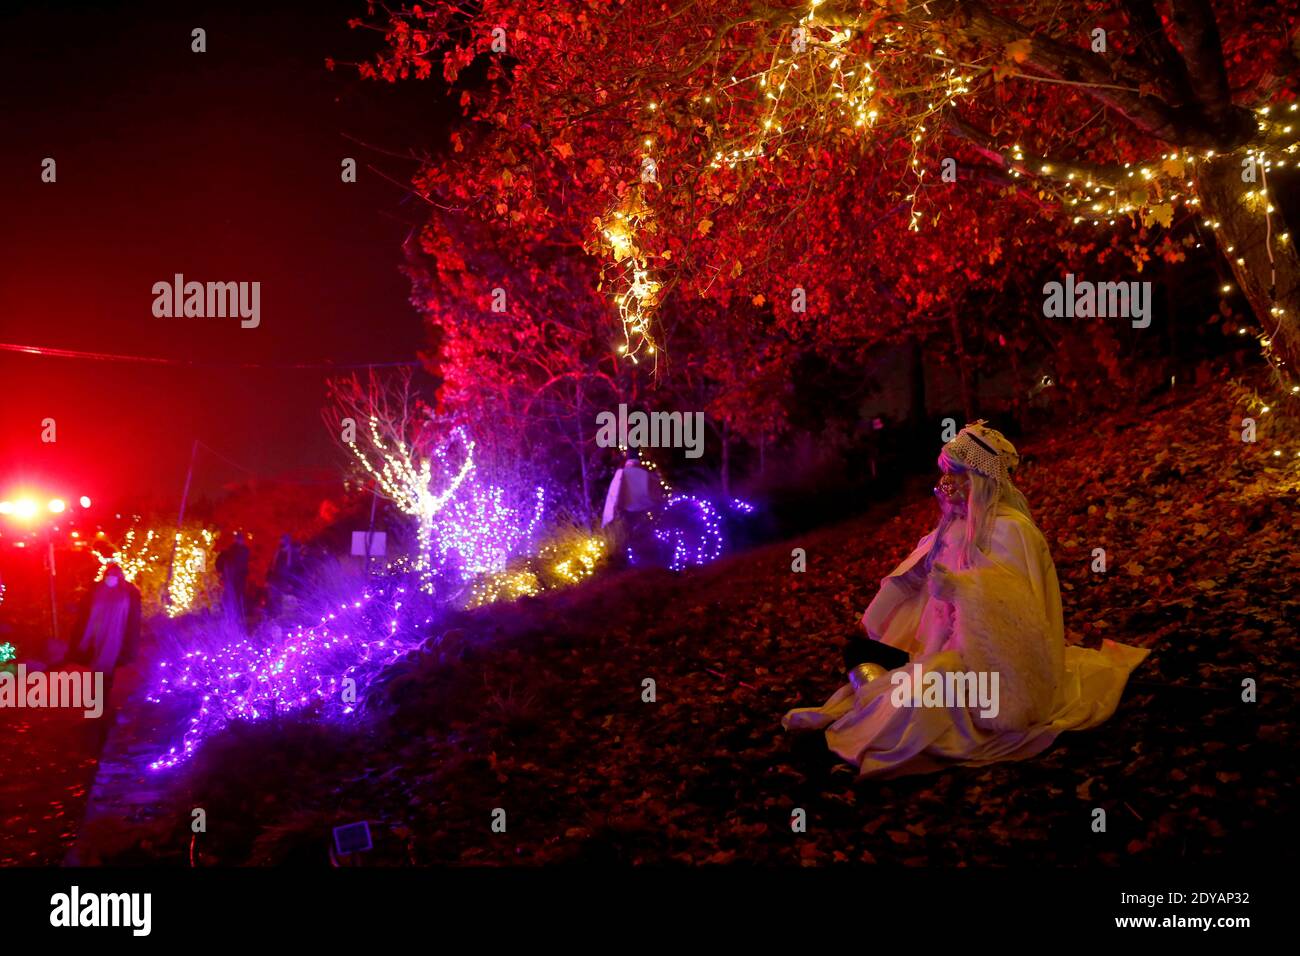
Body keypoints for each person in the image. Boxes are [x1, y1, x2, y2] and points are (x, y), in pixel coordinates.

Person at [783, 421, 1147, 778]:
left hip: (993, 665)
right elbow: (909, 579)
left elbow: (1018, 610)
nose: (948, 483)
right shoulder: (948, 530)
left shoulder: (1012, 531)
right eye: (946, 473)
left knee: (927, 687)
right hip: (938, 649)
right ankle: (872, 710)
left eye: (958, 474)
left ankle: (858, 736)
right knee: (863, 655)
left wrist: (962, 588)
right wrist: (868, 623)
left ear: (981, 478)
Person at [71, 563, 141, 676]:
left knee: (107, 656)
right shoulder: (98, 589)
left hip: (114, 630)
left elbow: (132, 616)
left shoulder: (127, 591)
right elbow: (87, 609)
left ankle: (103, 680)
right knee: (101, 656)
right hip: (102, 630)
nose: (111, 576)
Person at [601, 453, 664, 561]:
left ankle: (634, 560)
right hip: (644, 510)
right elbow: (656, 493)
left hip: (627, 511)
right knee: (643, 537)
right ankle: (645, 559)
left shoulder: (621, 474)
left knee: (630, 538)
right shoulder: (646, 475)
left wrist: (613, 511)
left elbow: (614, 494)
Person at [215, 531, 251, 625]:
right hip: (233, 578)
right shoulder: (233, 551)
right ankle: (232, 615)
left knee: (236, 596)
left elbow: (243, 564)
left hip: (237, 578)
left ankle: (234, 615)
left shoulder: (241, 550)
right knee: (233, 596)